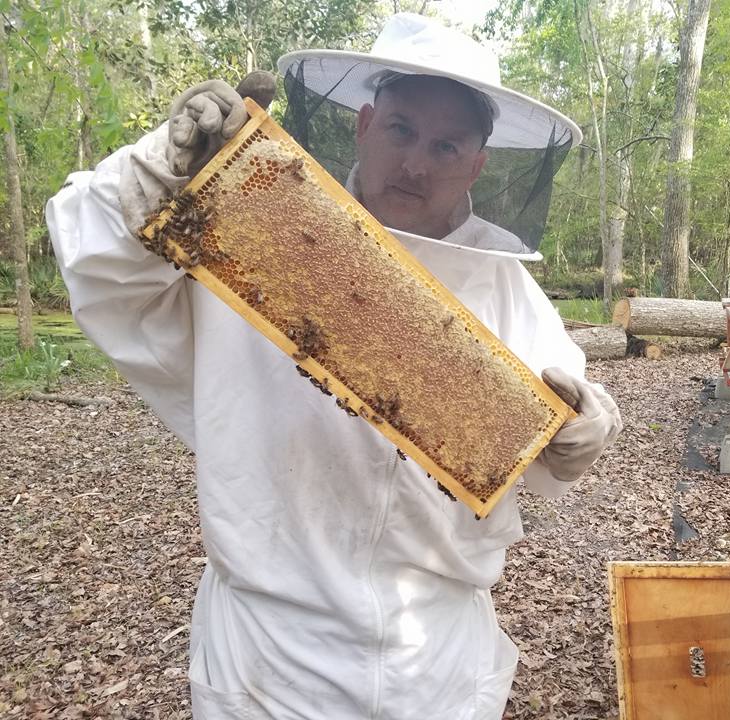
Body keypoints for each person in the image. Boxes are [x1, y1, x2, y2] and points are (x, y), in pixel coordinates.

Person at [46, 13, 622, 720]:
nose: (417, 163)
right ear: (364, 124)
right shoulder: (254, 222)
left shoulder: (505, 285)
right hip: (270, 655)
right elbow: (96, 260)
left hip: (435, 659)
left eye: (447, 146)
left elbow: (545, 440)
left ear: (478, 164)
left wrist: (586, 426)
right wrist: (162, 165)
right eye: (402, 131)